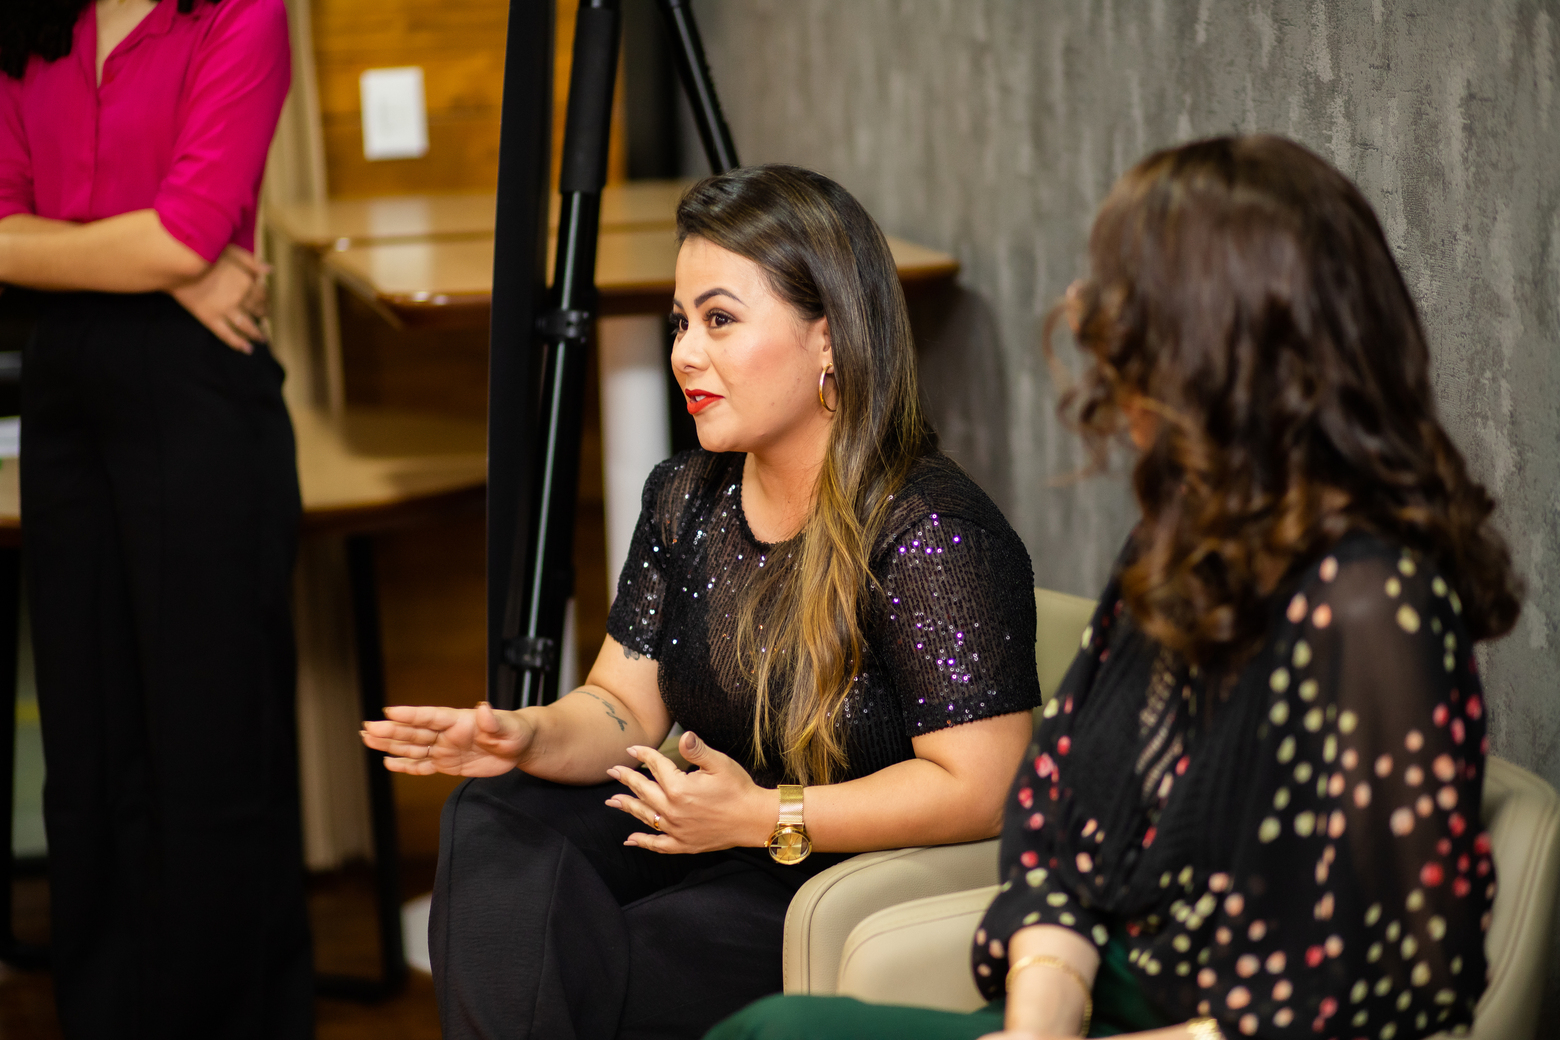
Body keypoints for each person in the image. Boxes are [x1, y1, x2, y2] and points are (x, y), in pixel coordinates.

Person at [707, 135, 1521, 1040]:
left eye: (1127, 300)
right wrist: (1038, 1022)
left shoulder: (1373, 603)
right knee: (773, 1029)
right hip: (1082, 1013)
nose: (1092, 324)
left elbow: (1391, 996)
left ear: (1222, 337)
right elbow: (1055, 832)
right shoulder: (1178, 540)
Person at [359, 164, 1043, 1040]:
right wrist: (525, 735)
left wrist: (762, 816)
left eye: (719, 319)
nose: (684, 351)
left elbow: (983, 786)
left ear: (829, 336)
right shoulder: (686, 494)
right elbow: (621, 707)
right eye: (681, 321)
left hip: (826, 867)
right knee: (494, 812)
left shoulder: (929, 529)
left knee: (610, 962)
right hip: (706, 819)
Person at [0, 1, 309, 1037]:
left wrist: (170, 257)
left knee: (215, 747)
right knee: (87, 752)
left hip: (199, 401)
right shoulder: (25, 26)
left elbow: (186, 231)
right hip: (65, 403)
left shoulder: (242, 15)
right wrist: (169, 265)